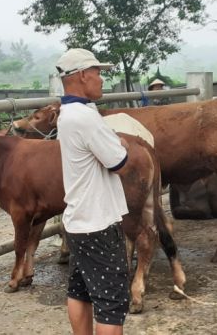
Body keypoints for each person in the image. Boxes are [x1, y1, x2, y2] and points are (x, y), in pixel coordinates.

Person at [55, 48, 131, 335]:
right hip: (98, 221)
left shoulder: (72, 112)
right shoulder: (85, 117)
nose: (101, 79)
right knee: (111, 303)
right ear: (83, 74)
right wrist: (121, 145)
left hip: (78, 219)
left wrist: (111, 142)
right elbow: (120, 163)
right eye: (98, 73)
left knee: (80, 289)